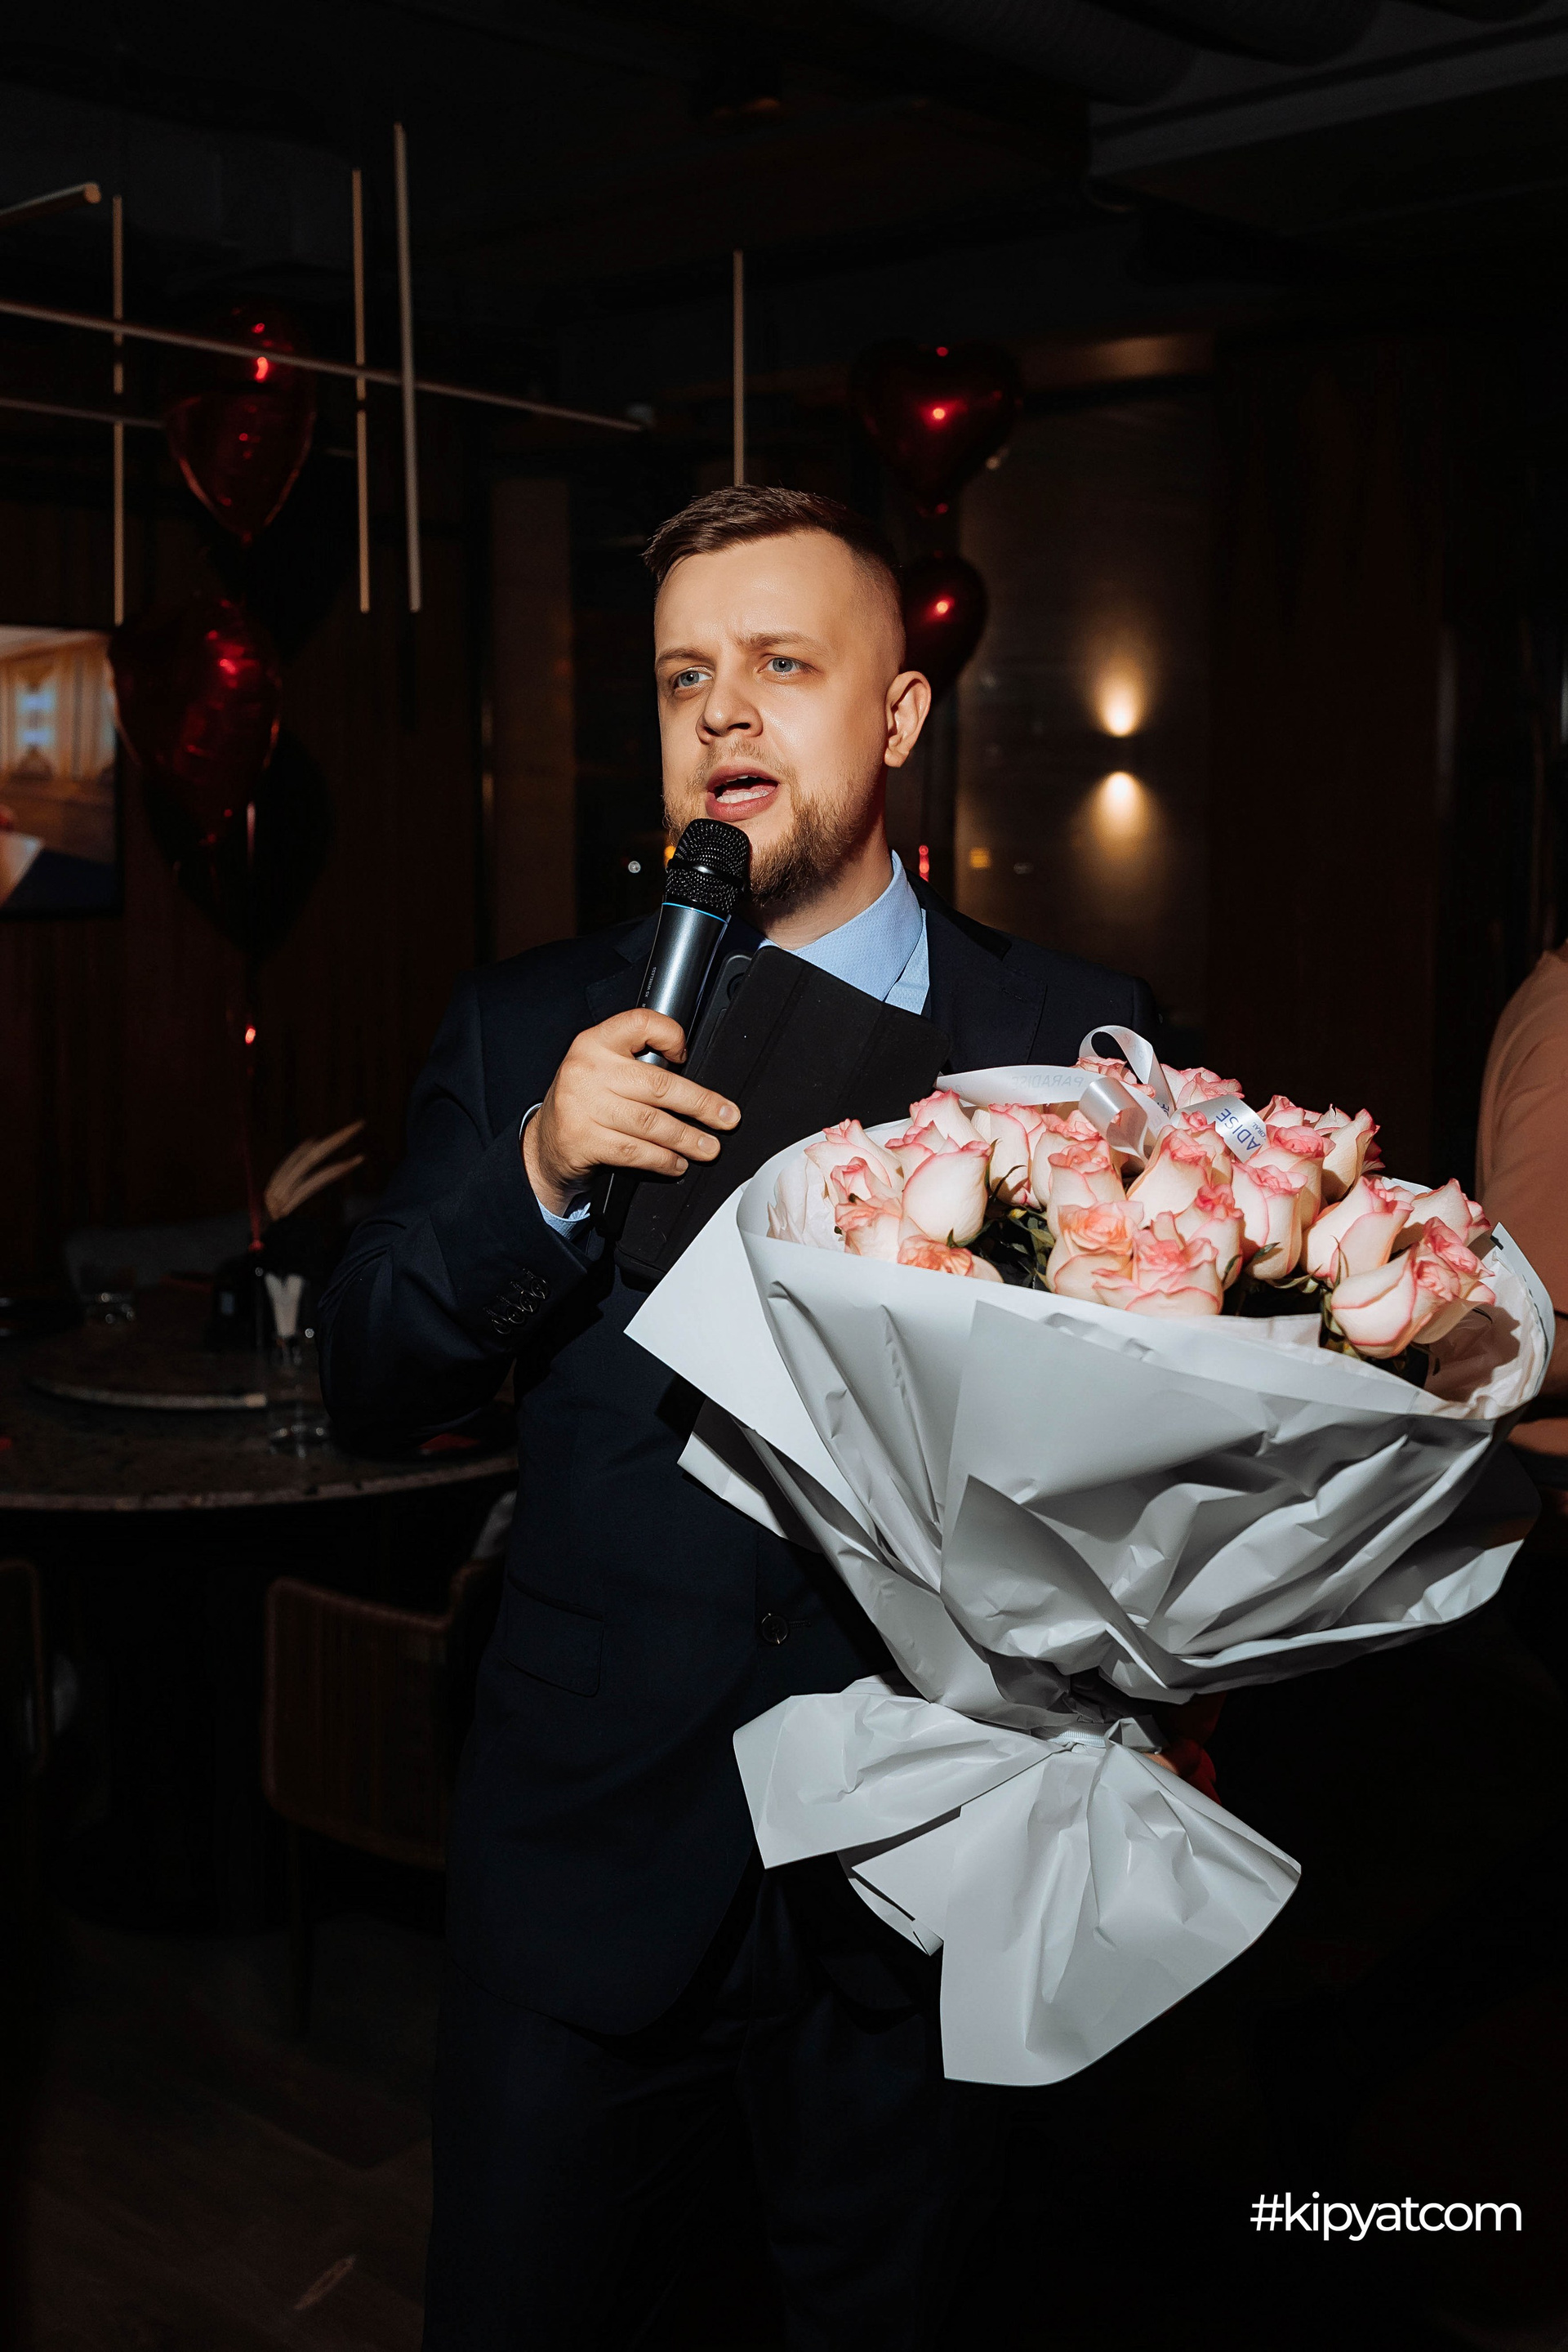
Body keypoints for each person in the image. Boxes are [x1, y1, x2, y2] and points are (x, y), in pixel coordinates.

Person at [318, 486, 1156, 2351]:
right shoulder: (533, 1021)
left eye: (783, 663)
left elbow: (1155, 1434)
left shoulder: (1076, 1035)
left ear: (900, 712)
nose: (724, 712)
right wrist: (542, 1170)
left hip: (934, 1874)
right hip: (593, 1862)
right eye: (685, 675)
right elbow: (367, 1374)